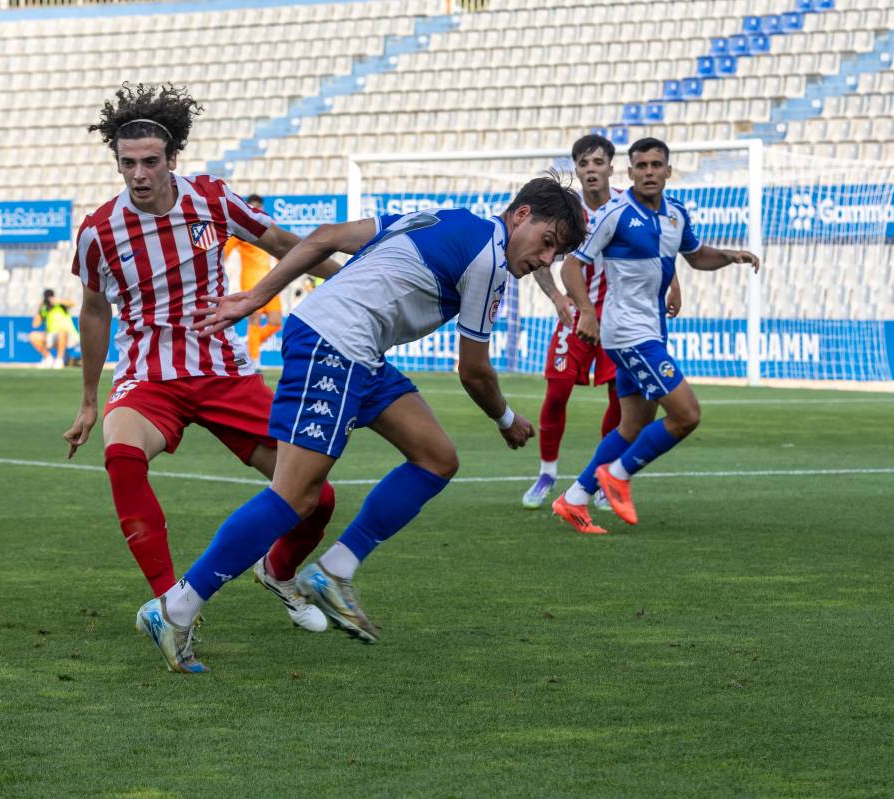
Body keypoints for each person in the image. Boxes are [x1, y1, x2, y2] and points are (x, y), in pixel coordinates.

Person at [153, 173, 588, 670]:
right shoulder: (490, 260)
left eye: (557, 254)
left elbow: (326, 236)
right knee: (294, 495)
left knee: (436, 458)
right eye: (547, 243)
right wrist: (506, 418)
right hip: (334, 343)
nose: (545, 259)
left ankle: (334, 570)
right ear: (522, 215)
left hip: (357, 347)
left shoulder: (447, 218)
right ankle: (177, 606)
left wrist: (260, 295)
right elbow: (474, 371)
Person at [61, 83, 343, 673]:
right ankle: (170, 607)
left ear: (171, 159)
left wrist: (347, 278)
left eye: (149, 162)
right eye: (127, 163)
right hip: (148, 375)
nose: (138, 174)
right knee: (121, 453)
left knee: (317, 496)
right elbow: (94, 309)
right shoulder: (99, 230)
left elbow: (285, 244)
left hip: (222, 370)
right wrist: (89, 399)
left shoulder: (212, 200)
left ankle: (281, 571)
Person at [551, 138, 760, 534]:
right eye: (641, 166)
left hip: (652, 330)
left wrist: (731, 255)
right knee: (686, 415)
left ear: (668, 170)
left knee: (632, 425)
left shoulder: (676, 215)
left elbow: (697, 257)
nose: (649, 172)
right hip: (628, 332)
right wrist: (588, 312)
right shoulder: (614, 214)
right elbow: (571, 268)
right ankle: (618, 475)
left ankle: (574, 500)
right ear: (628, 173)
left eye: (656, 165)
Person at [522, 135, 682, 512]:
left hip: (621, 322)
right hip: (578, 316)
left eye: (598, 162)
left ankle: (602, 479)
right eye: (583, 163)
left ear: (612, 167)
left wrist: (674, 284)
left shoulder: (630, 205)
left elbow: (659, 246)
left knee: (621, 402)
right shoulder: (568, 213)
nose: (591, 169)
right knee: (557, 391)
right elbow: (541, 259)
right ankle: (547, 473)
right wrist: (559, 298)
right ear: (576, 171)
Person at [222, 193, 282, 371]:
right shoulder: (241, 232)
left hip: (271, 280)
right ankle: (255, 361)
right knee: (254, 321)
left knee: (276, 322)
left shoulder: (270, 227)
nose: (256, 210)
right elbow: (225, 251)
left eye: (259, 207)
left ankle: (251, 346)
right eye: (252, 207)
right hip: (251, 282)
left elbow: (279, 249)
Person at [29, 290, 79, 369]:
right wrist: (40, 308)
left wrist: (57, 301)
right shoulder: (45, 309)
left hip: (69, 336)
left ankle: (59, 360)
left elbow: (72, 303)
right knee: (33, 336)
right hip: (53, 337)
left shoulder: (61, 305)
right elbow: (35, 324)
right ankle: (48, 359)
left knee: (62, 332)